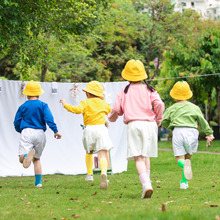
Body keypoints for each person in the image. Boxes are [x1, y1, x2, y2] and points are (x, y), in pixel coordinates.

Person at [108, 59, 165, 199]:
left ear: (127, 76)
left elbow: (116, 109)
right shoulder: (150, 89)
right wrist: (159, 119)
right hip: (150, 124)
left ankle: (146, 185)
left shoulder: (124, 91)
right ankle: (148, 181)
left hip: (134, 125)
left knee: (138, 157)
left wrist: (111, 118)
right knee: (145, 155)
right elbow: (160, 104)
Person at [60, 80, 113, 190]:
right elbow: (109, 111)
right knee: (102, 153)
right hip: (101, 129)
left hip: (89, 129)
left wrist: (65, 104)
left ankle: (89, 175)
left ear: (87, 93)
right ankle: (104, 173)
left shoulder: (85, 102)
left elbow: (76, 110)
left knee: (89, 151)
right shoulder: (103, 103)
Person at [162, 80, 214, 190]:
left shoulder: (172, 108)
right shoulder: (195, 107)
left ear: (174, 95)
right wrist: (209, 133)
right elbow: (202, 121)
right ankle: (183, 183)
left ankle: (183, 175)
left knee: (180, 159)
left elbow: (164, 121)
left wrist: (172, 126)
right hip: (192, 132)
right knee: (188, 159)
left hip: (178, 132)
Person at [14, 80, 61, 187]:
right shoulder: (43, 105)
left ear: (27, 95)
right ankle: (38, 183)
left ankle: (26, 155)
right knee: (37, 159)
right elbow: (49, 118)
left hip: (27, 132)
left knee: (21, 157)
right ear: (39, 93)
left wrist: (19, 130)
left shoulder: (23, 107)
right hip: (40, 133)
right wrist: (55, 130)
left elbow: (16, 121)